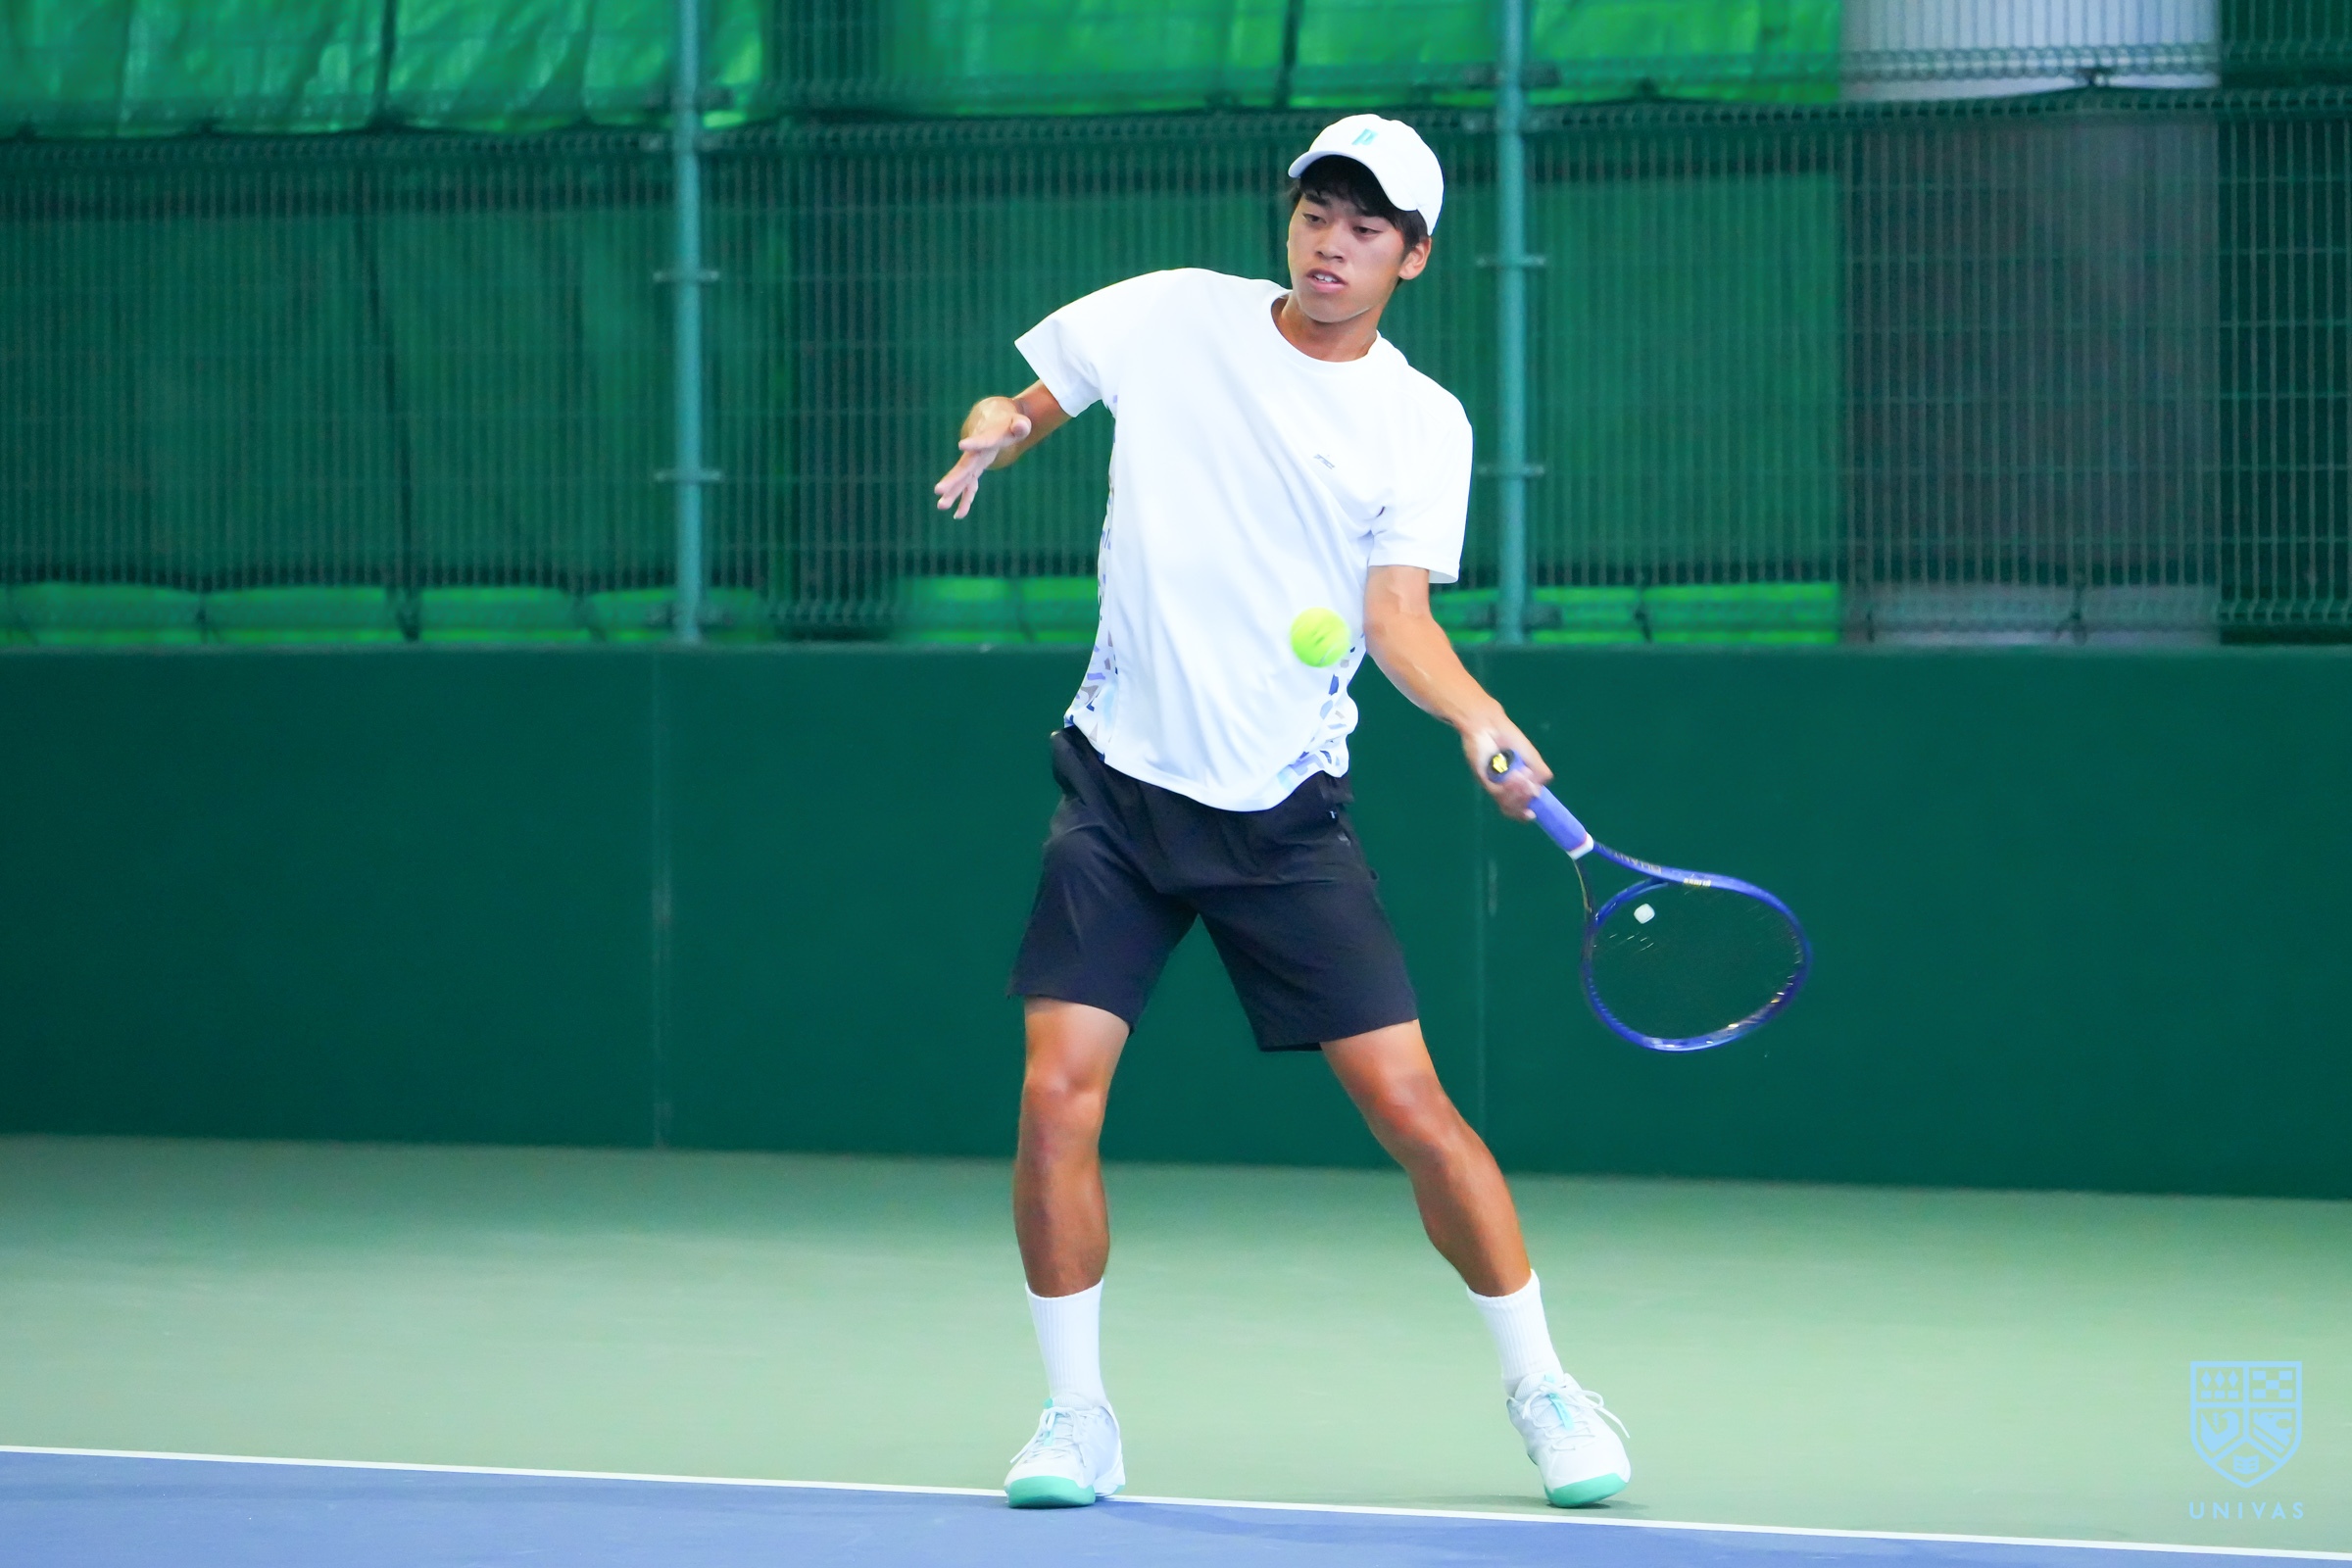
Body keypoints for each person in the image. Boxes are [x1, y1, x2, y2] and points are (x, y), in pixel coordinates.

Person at [931, 114, 1631, 1513]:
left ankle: (1545, 1386)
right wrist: (995, 431)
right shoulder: (1171, 316)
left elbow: (1396, 619)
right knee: (1055, 1098)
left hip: (1282, 816)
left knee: (1414, 1111)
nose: (1332, 244)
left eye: (1368, 228)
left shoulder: (1421, 422)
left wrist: (1477, 716)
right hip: (1118, 789)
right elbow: (1031, 398)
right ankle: (1077, 1418)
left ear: (1412, 258)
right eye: (1318, 213)